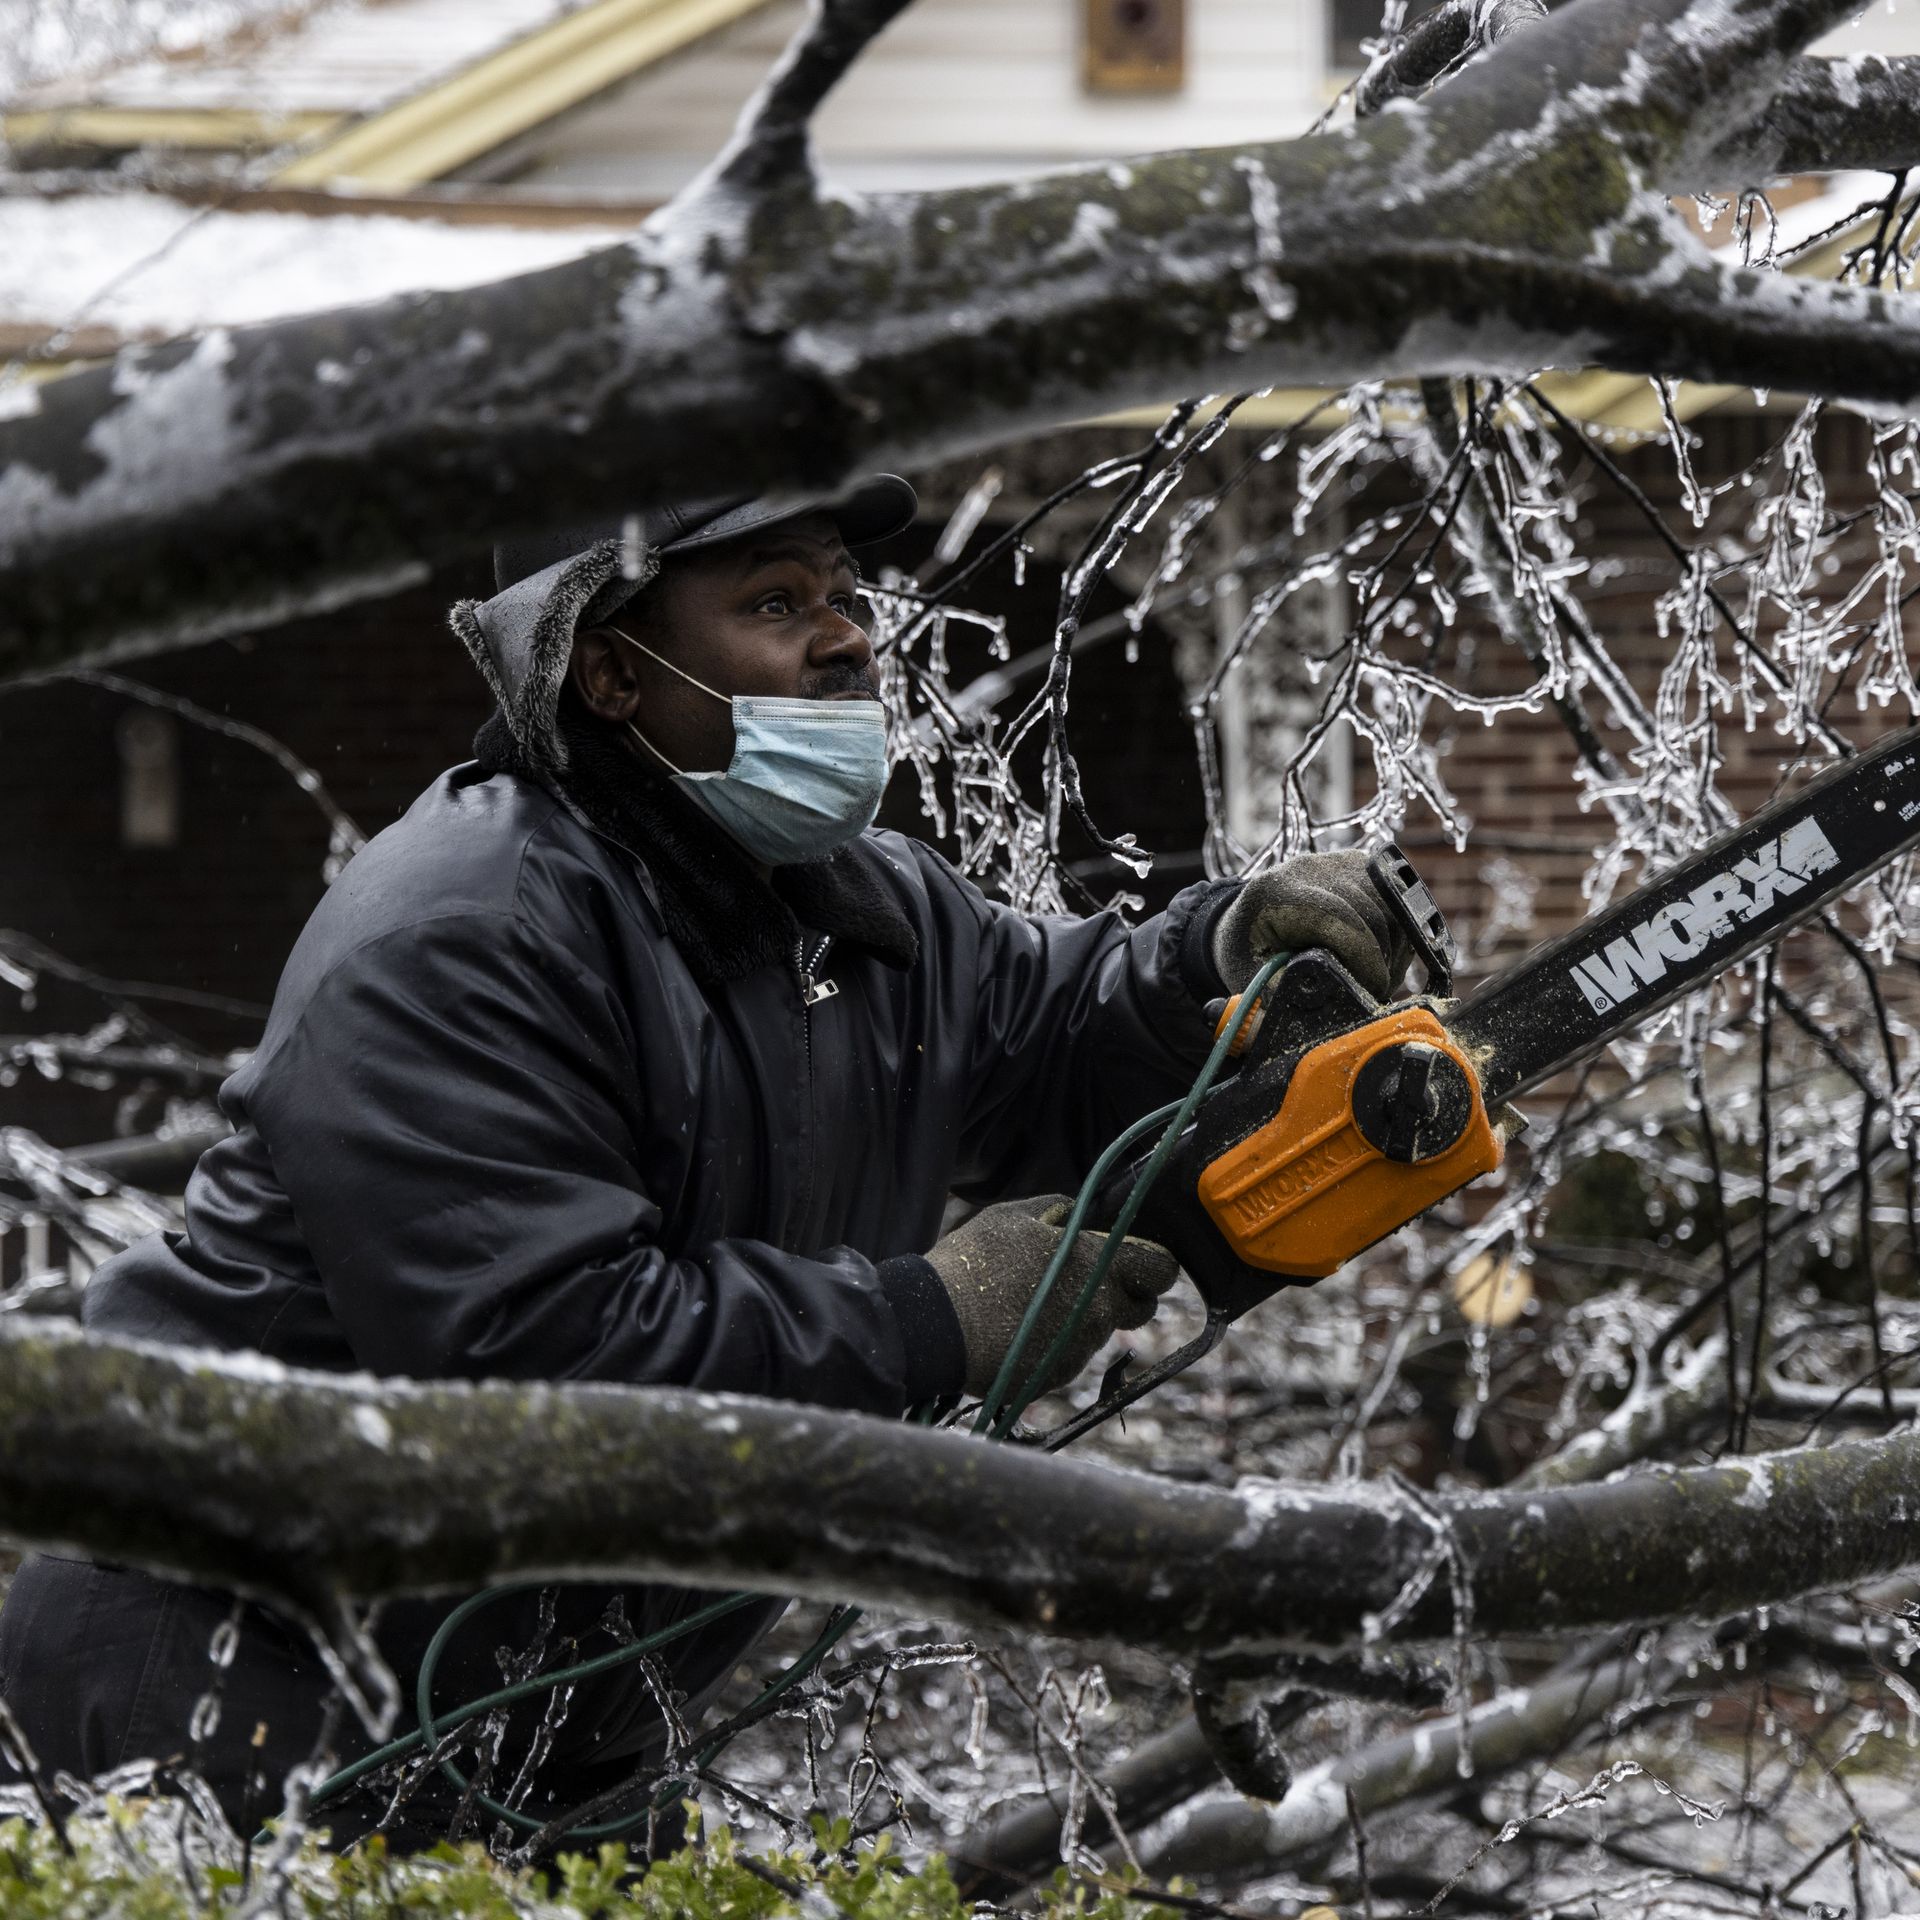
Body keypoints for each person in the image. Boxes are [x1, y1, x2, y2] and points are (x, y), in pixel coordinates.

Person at [0, 475, 1413, 1845]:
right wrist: (935, 1316)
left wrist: (1214, 960)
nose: (849, 634)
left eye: (847, 594)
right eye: (775, 599)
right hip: (228, 1694)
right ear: (610, 674)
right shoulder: (465, 937)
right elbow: (544, 1362)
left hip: (556, 1720)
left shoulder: (855, 914)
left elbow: (1049, 1039)